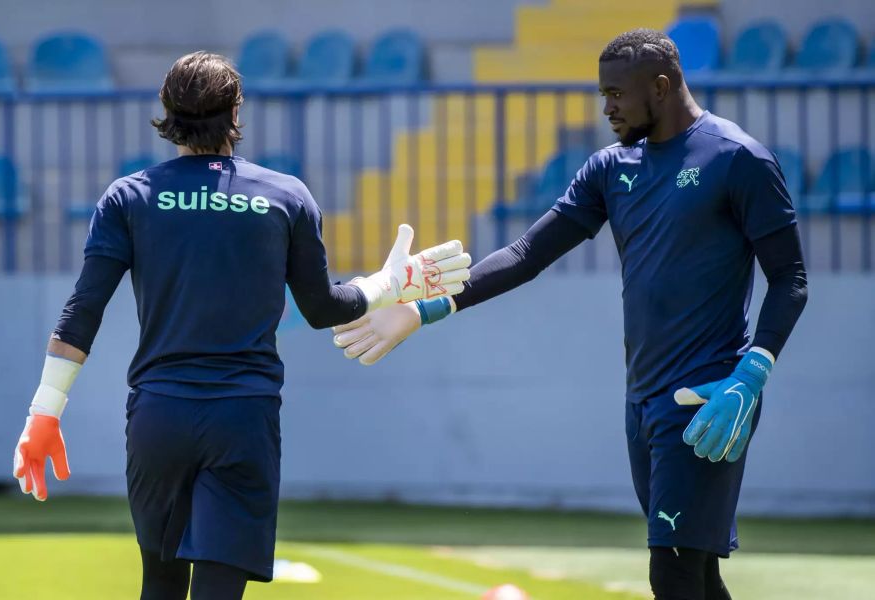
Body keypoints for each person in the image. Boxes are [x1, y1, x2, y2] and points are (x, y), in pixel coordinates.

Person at [332, 29, 808, 600]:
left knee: (674, 570)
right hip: (643, 401)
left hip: (706, 397)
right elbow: (527, 255)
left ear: (661, 87)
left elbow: (790, 279)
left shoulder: (739, 159)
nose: (606, 107)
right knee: (696, 572)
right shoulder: (610, 168)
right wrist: (423, 310)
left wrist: (750, 376)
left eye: (616, 94)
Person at [11, 51, 470, 600]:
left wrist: (44, 413)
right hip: (243, 419)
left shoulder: (129, 197)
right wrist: (389, 284)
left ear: (167, 112)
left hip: (159, 417)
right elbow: (324, 307)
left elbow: (81, 311)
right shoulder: (285, 196)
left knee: (159, 586)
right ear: (235, 112)